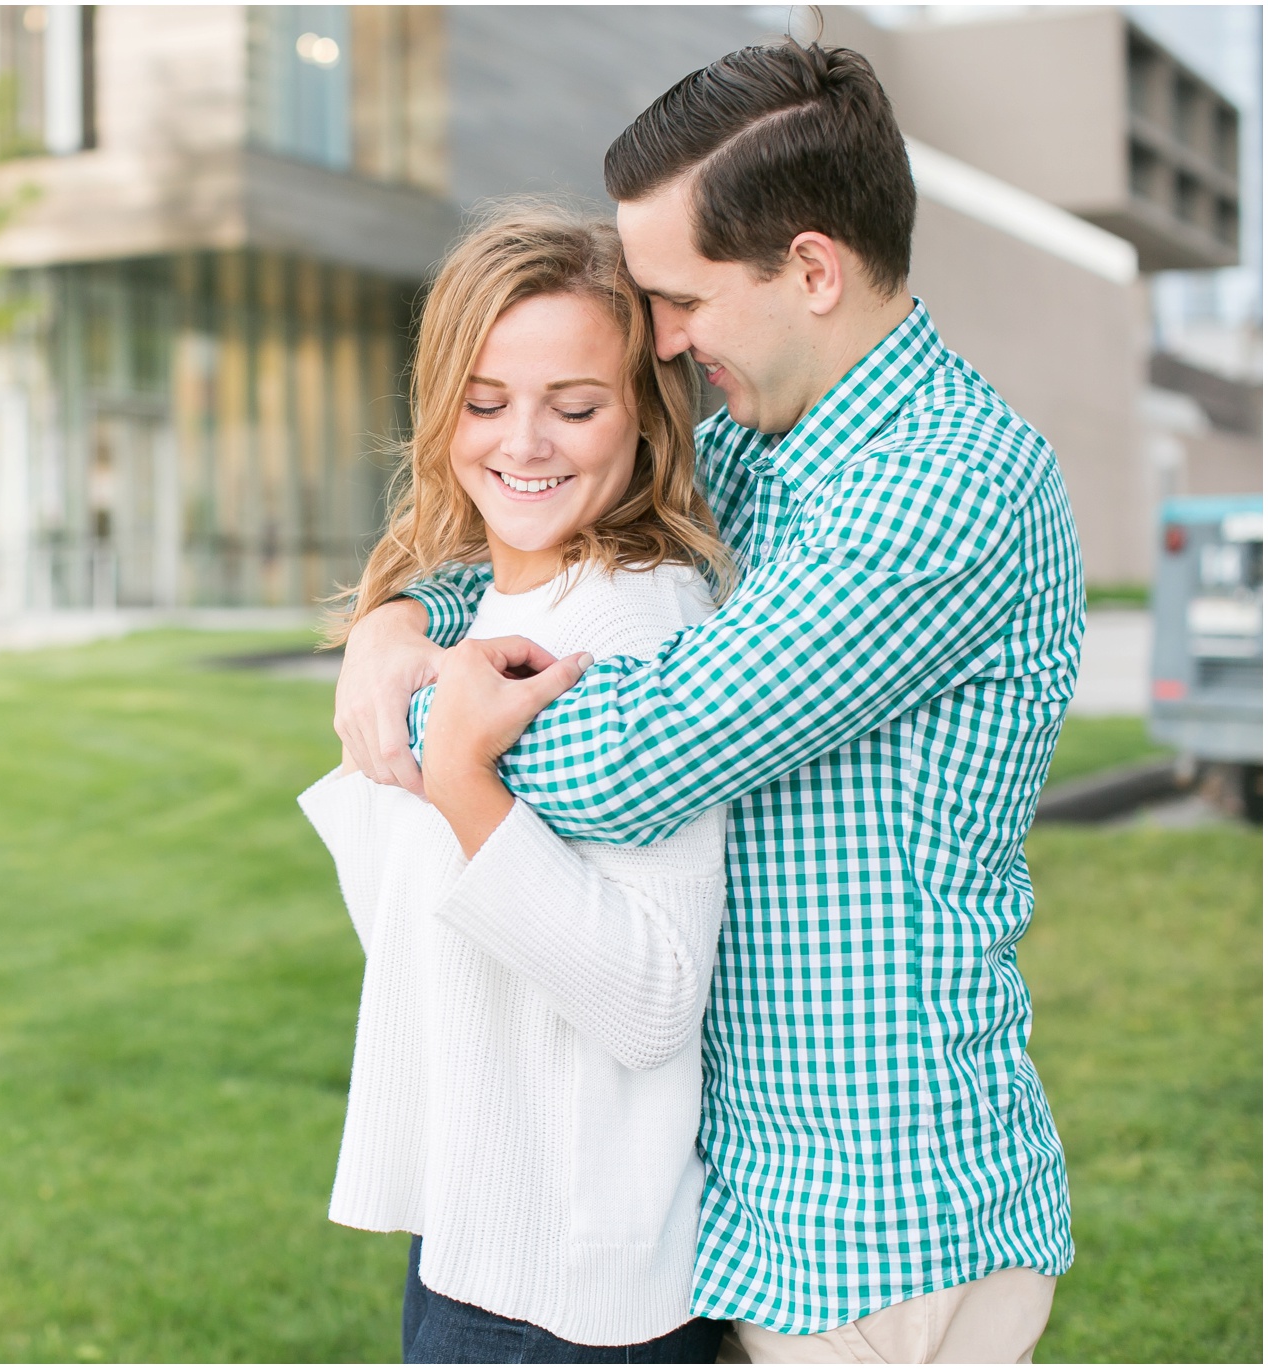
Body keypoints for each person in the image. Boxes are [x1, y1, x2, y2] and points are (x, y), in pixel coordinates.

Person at [334, 42, 1078, 1365]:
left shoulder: (944, 490)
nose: (660, 340)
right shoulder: (758, 442)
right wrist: (405, 619)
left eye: (678, 298)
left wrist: (441, 734)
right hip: (751, 1201)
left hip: (882, 1210)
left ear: (809, 269)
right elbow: (568, 552)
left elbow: (637, 752)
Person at [301, 205, 737, 1364]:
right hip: (480, 1241)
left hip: (572, 1287)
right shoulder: (492, 607)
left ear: (642, 417)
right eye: (485, 402)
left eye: (574, 405)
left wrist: (455, 774)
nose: (524, 443)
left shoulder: (631, 625)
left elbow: (649, 995)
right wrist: (393, 617)